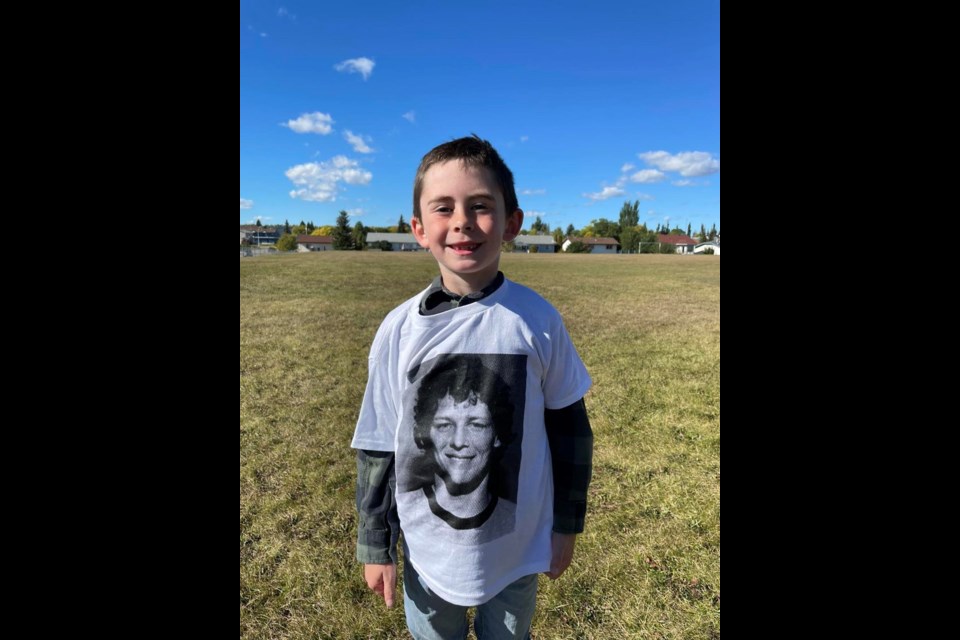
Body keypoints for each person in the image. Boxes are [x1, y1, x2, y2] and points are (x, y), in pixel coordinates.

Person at [352, 134, 594, 639]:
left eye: (480, 206)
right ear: (419, 229)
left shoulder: (537, 321)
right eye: (444, 208)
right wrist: (376, 543)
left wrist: (566, 525)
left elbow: (571, 429)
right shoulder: (398, 330)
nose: (462, 221)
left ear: (511, 224)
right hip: (427, 554)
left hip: (517, 550)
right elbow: (377, 445)